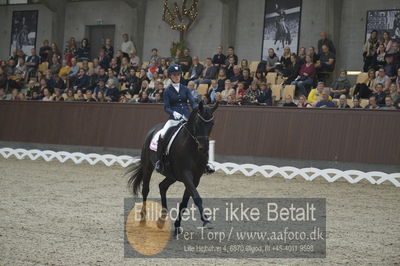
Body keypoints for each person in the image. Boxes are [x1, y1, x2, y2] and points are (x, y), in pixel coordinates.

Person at [154, 64, 196, 173]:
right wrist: (174, 112)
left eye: (178, 75)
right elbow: (166, 107)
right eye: (174, 75)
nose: (177, 77)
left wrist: (197, 110)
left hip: (186, 118)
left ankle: (204, 162)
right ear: (170, 76)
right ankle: (159, 161)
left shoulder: (185, 89)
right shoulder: (167, 91)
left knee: (199, 135)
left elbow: (192, 102)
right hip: (173, 119)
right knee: (162, 135)